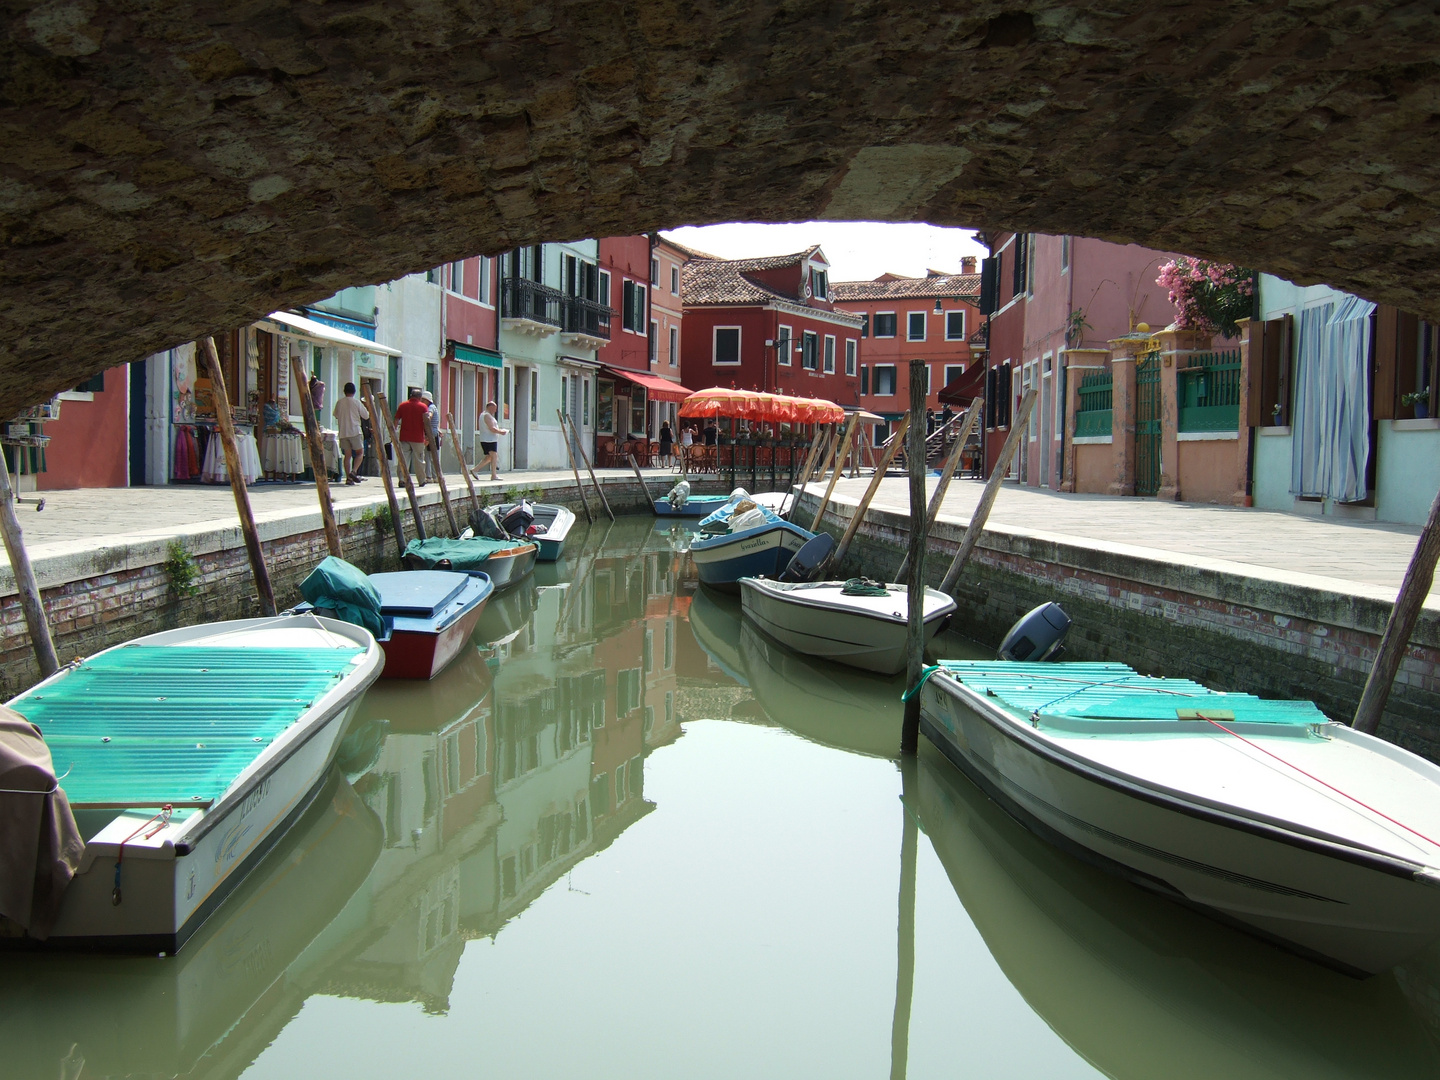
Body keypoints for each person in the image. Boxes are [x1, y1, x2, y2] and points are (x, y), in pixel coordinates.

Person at [333, 382, 369, 484]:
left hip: (343, 432)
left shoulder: (339, 402)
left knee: (347, 455)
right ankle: (354, 471)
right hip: (355, 431)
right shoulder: (357, 402)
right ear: (354, 391)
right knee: (360, 453)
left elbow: (336, 415)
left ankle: (348, 478)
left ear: (344, 391)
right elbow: (366, 416)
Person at [394, 387, 431, 485]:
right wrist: (427, 436)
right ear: (419, 397)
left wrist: (393, 431)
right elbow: (426, 422)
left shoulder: (403, 405)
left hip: (404, 436)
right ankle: (421, 480)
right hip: (418, 437)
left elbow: (396, 419)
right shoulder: (423, 407)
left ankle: (402, 479)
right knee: (419, 460)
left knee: (404, 459)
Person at [480, 400, 508, 481]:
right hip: (489, 440)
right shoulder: (487, 416)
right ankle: (494, 475)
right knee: (494, 456)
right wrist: (501, 432)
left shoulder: (484, 415)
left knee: (489, 457)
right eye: (494, 408)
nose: (495, 410)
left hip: (487, 439)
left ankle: (475, 470)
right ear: (490, 407)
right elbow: (492, 428)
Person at [421, 390, 441, 474]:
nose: (421, 402)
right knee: (432, 456)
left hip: (431, 433)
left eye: (423, 400)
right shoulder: (432, 407)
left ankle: (430, 475)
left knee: (429, 456)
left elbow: (429, 415)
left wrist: (426, 418)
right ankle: (434, 475)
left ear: (426, 400)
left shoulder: (431, 407)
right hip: (433, 432)